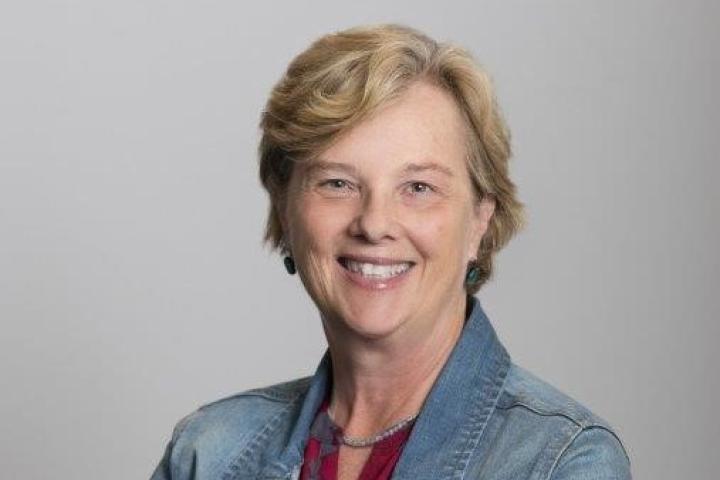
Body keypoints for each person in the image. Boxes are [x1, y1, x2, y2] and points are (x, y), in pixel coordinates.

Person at [151, 24, 631, 480]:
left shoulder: (558, 462)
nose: (375, 224)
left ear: (479, 222)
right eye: (337, 183)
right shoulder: (209, 451)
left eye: (418, 187)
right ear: (285, 210)